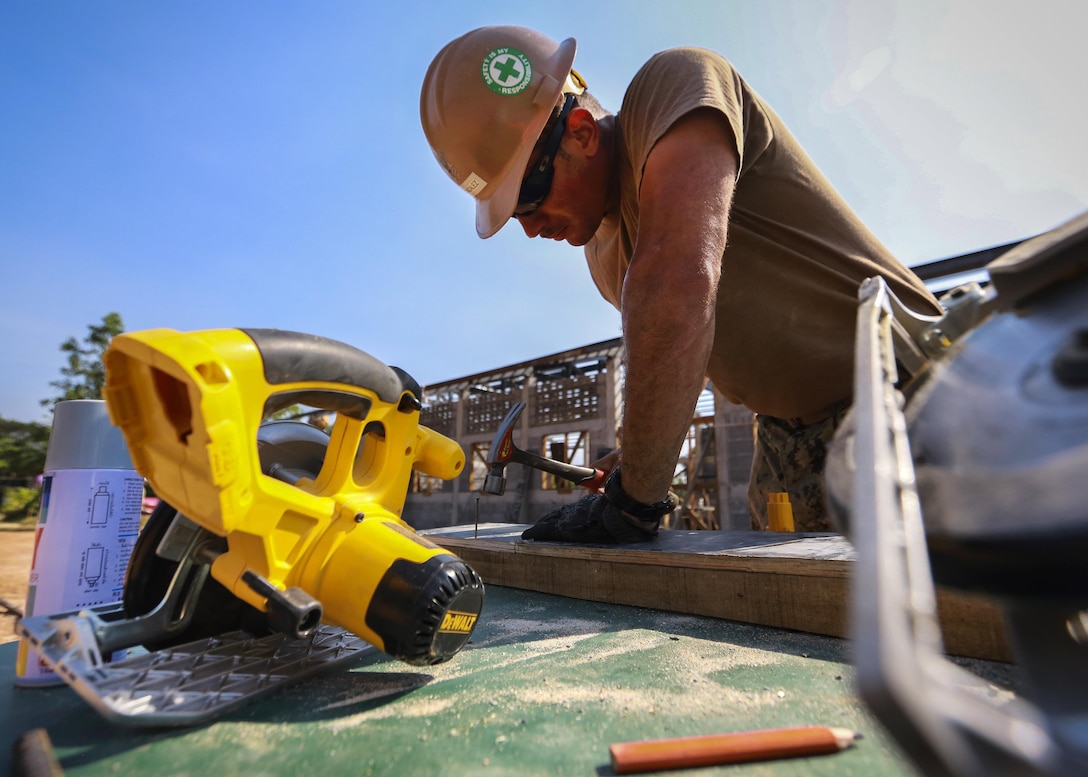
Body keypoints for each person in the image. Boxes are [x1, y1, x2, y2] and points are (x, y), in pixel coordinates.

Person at [420, 25, 942, 542]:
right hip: (789, 445)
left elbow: (679, 285)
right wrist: (644, 452)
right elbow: (689, 345)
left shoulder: (672, 87)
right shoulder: (603, 256)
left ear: (580, 132)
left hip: (913, 401)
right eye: (514, 216)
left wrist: (633, 498)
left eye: (529, 199)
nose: (531, 227)